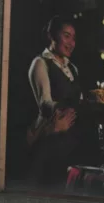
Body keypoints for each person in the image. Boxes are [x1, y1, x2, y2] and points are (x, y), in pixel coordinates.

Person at [27, 15, 83, 186]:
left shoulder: (73, 68)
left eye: (74, 38)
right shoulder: (41, 63)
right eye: (66, 36)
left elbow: (79, 101)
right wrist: (68, 109)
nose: (71, 43)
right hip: (50, 140)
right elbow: (45, 104)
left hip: (72, 144)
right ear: (52, 35)